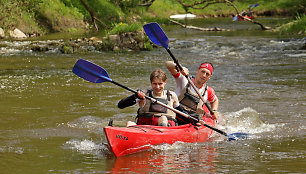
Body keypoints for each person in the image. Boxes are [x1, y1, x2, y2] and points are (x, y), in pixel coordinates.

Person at [118, 69, 183, 127]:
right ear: (151, 83)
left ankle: (161, 135)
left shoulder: (172, 96)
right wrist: (135, 96)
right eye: (154, 84)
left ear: (165, 82)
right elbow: (120, 105)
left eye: (160, 84)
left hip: (166, 128)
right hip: (145, 129)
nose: (157, 87)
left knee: (163, 119)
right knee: (129, 123)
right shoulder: (144, 95)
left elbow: (181, 112)